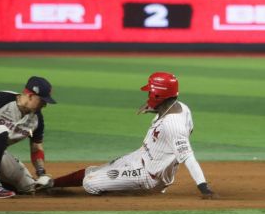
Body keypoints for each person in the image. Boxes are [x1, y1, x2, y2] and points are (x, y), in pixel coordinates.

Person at [51, 72, 217, 199]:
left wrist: (204, 188)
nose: (148, 95)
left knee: (90, 183)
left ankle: (134, 195)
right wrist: (154, 107)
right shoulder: (180, 107)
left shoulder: (173, 124)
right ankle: (52, 184)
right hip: (141, 156)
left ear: (158, 95)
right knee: (93, 171)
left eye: (150, 93)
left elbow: (188, 157)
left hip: (149, 177)